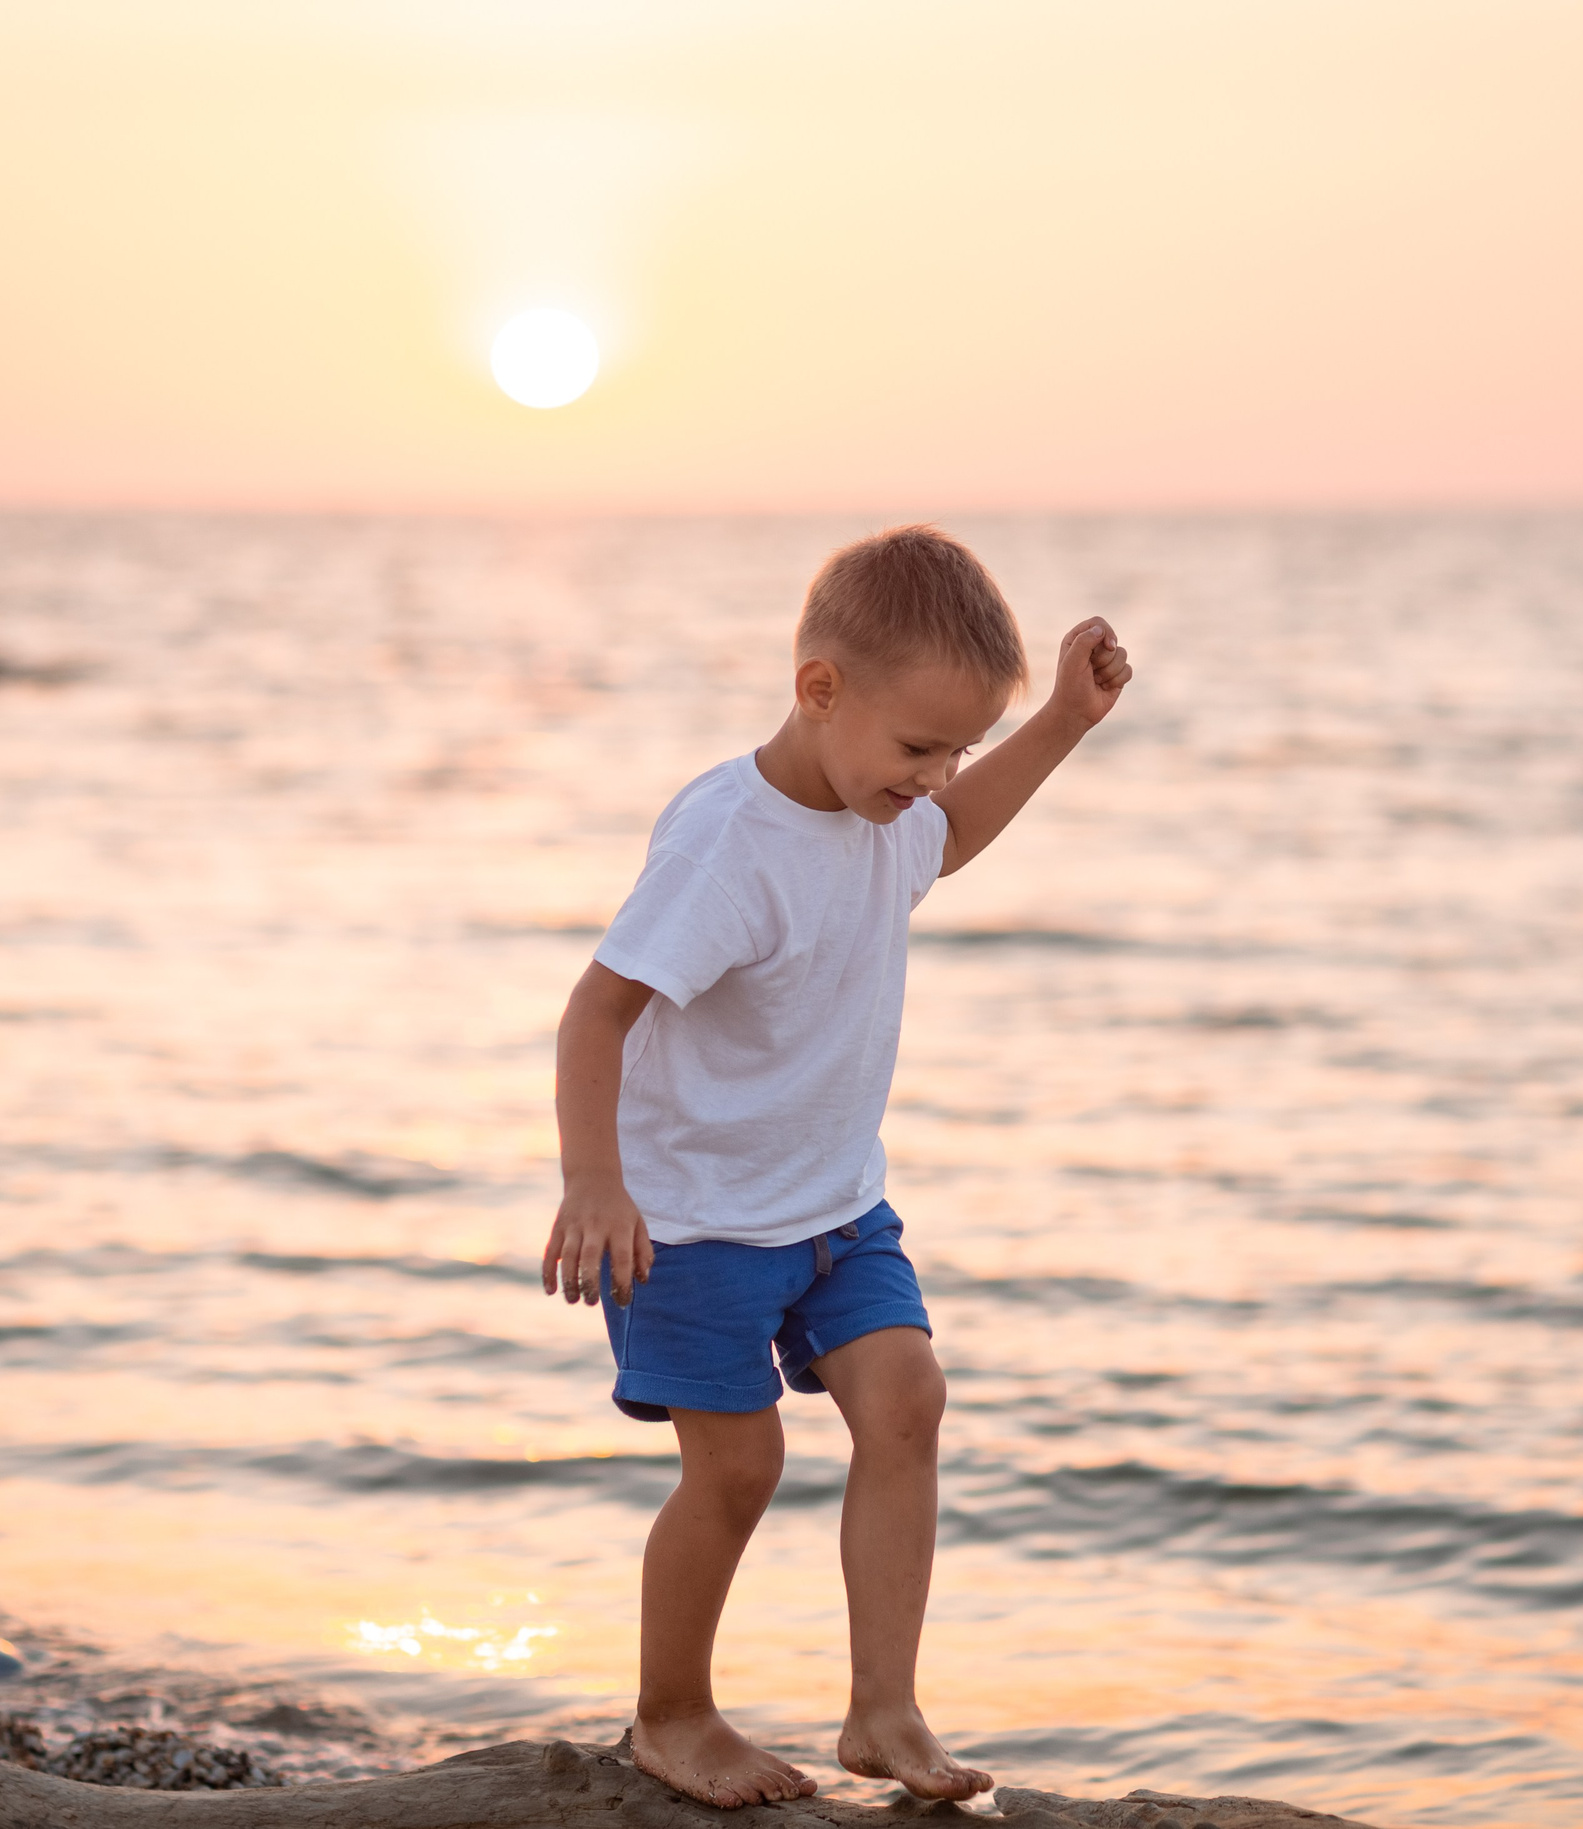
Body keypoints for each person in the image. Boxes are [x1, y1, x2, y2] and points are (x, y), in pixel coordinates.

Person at [540, 524, 1134, 1810]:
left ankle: (883, 1707)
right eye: (921, 747)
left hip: (835, 1207)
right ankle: (671, 1714)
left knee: (907, 1397)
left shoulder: (884, 810)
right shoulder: (728, 844)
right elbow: (597, 1010)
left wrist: (1062, 724)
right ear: (820, 689)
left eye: (958, 748)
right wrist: (593, 1180)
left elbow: (953, 832)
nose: (937, 777)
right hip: (692, 1221)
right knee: (738, 1467)